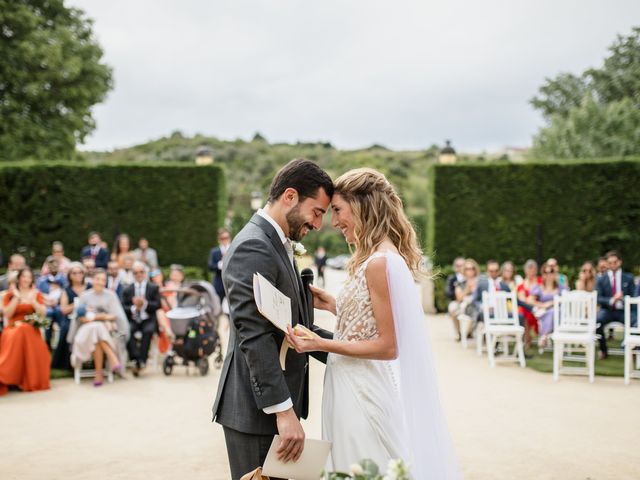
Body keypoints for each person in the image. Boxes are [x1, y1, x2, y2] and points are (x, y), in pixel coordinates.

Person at [286, 168, 461, 479]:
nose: (335, 222)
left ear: (363, 206)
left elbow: (388, 345)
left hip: (361, 390)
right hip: (349, 382)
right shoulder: (379, 258)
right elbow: (371, 320)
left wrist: (319, 342)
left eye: (338, 210)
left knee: (361, 466)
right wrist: (333, 303)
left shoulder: (380, 263)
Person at [212, 159, 335, 480]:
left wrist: (353, 350)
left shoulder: (277, 243)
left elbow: (294, 331)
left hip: (273, 407)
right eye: (318, 211)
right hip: (257, 411)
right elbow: (253, 336)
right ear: (290, 196)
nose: (319, 224)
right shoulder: (254, 245)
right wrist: (283, 411)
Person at [67, 269, 129, 386]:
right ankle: (112, 356)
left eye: (103, 280)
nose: (100, 282)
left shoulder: (111, 295)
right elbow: (81, 319)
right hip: (85, 332)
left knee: (96, 332)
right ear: (92, 280)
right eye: (98, 279)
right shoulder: (85, 296)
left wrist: (97, 318)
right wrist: (99, 317)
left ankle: (98, 373)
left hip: (102, 334)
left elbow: (115, 315)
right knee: (96, 327)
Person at [0, 268, 50, 395]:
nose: (26, 279)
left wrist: (32, 300)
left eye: (29, 277)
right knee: (20, 330)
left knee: (24, 329)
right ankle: (6, 375)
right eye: (24, 276)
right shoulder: (9, 295)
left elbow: (43, 313)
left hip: (31, 328)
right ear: (19, 278)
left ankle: (23, 380)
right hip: (12, 328)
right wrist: (16, 298)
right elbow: (7, 314)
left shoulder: (36, 293)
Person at [122, 261, 161, 376]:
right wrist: (134, 308)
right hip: (133, 319)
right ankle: (137, 359)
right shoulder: (127, 289)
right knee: (127, 331)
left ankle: (142, 360)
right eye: (136, 272)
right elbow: (124, 306)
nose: (139, 274)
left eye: (141, 272)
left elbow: (158, 305)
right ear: (133, 274)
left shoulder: (153, 287)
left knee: (148, 331)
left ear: (145, 273)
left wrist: (144, 304)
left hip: (148, 318)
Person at [595, 251, 637, 359]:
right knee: (597, 322)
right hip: (608, 310)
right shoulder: (601, 279)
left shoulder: (628, 277)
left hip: (624, 310)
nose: (613, 265)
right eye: (610, 262)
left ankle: (630, 348)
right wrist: (611, 300)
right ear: (607, 263)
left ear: (620, 262)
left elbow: (634, 296)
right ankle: (603, 350)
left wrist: (623, 298)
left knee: (636, 322)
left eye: (615, 262)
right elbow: (599, 298)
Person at [55, 262, 90, 370]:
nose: (78, 275)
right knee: (66, 328)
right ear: (70, 275)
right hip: (70, 318)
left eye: (80, 272)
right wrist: (76, 304)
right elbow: (63, 309)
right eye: (74, 273)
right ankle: (66, 362)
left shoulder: (90, 287)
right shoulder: (66, 290)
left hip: (88, 317)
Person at [531, 263, 567, 350]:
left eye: (551, 272)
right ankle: (545, 336)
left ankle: (544, 336)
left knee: (554, 312)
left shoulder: (561, 287)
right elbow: (531, 300)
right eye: (545, 272)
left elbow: (566, 298)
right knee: (551, 312)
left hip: (559, 314)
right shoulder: (539, 287)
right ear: (542, 274)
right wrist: (543, 305)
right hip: (543, 312)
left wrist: (551, 303)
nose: (548, 275)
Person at [471, 259, 511, 326]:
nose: (494, 273)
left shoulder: (504, 285)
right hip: (486, 312)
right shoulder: (481, 284)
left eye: (496, 271)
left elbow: (510, 302)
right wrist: (483, 307)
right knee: (484, 316)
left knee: (520, 316)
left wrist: (508, 309)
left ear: (499, 271)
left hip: (502, 312)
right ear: (487, 271)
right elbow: (475, 300)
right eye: (491, 271)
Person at [448, 258, 477, 341]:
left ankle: (468, 332)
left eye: (472, 268)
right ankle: (459, 333)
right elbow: (458, 297)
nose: (470, 271)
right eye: (467, 269)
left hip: (475, 304)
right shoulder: (459, 282)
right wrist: (468, 289)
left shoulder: (480, 281)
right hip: (462, 304)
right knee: (453, 308)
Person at [517, 260, 540, 349]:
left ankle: (528, 338)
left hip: (538, 307)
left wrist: (531, 300)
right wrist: (529, 300)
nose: (531, 272)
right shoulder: (521, 285)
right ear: (525, 270)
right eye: (529, 269)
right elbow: (522, 299)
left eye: (533, 269)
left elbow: (537, 297)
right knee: (524, 311)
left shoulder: (540, 282)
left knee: (526, 311)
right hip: (527, 309)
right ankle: (527, 338)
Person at [208, 228, 232, 303]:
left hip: (232, 283)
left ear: (229, 238)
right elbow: (210, 266)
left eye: (226, 238)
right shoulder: (214, 251)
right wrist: (220, 264)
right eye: (222, 238)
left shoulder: (233, 249)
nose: (225, 240)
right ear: (219, 239)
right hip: (219, 284)